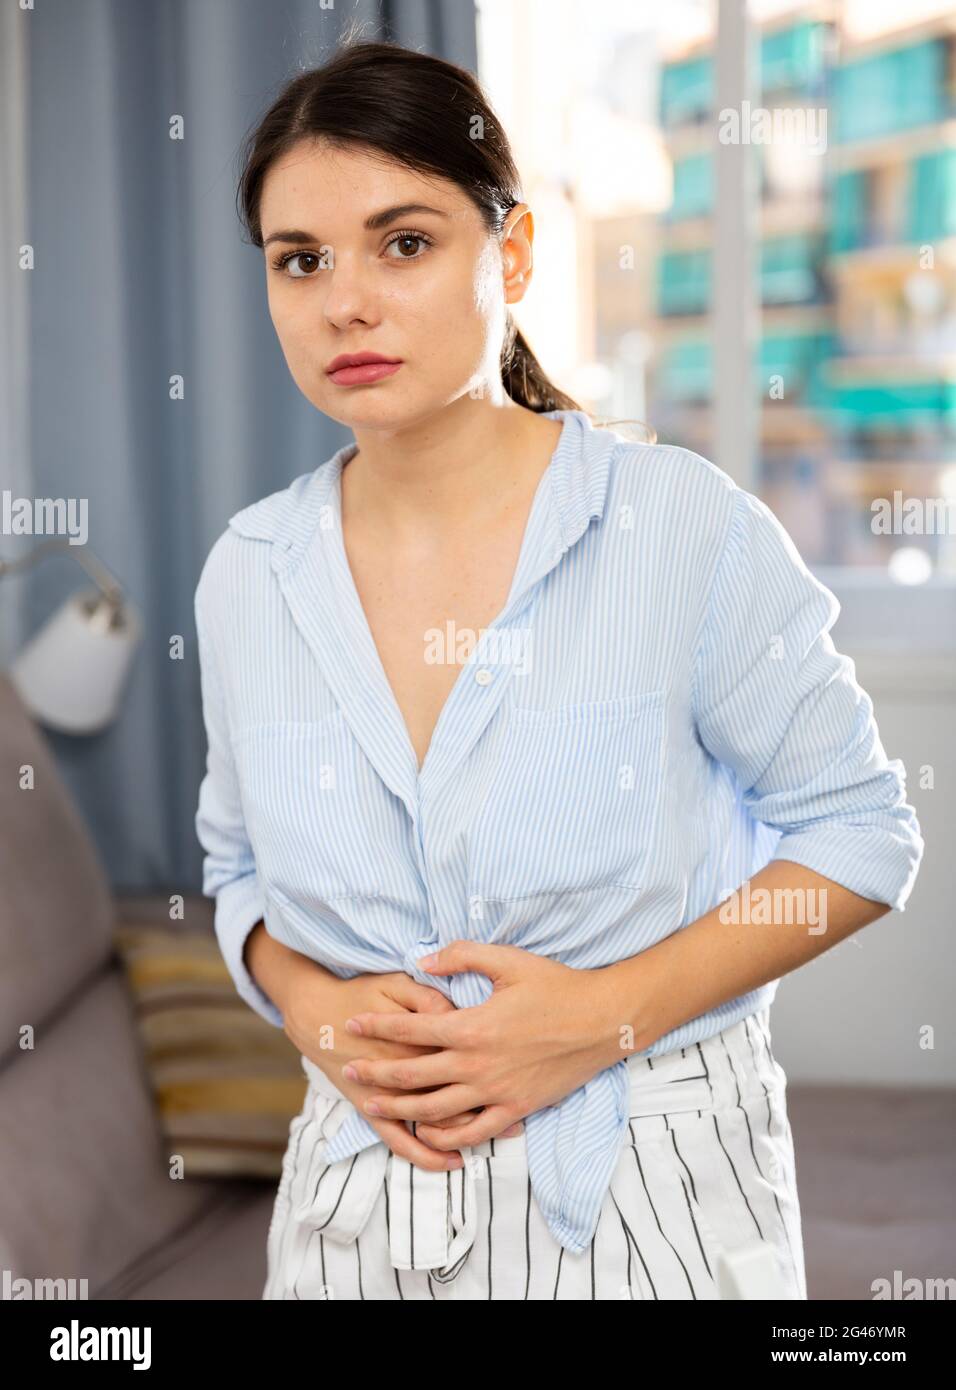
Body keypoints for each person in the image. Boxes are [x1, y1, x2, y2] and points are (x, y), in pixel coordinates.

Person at [193, 38, 924, 1301]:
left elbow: (859, 835)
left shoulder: (679, 528)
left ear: (512, 253)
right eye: (298, 260)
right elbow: (236, 870)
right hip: (351, 1213)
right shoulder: (244, 574)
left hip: (653, 1208)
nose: (343, 302)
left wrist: (606, 1013)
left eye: (403, 242)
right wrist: (311, 1010)